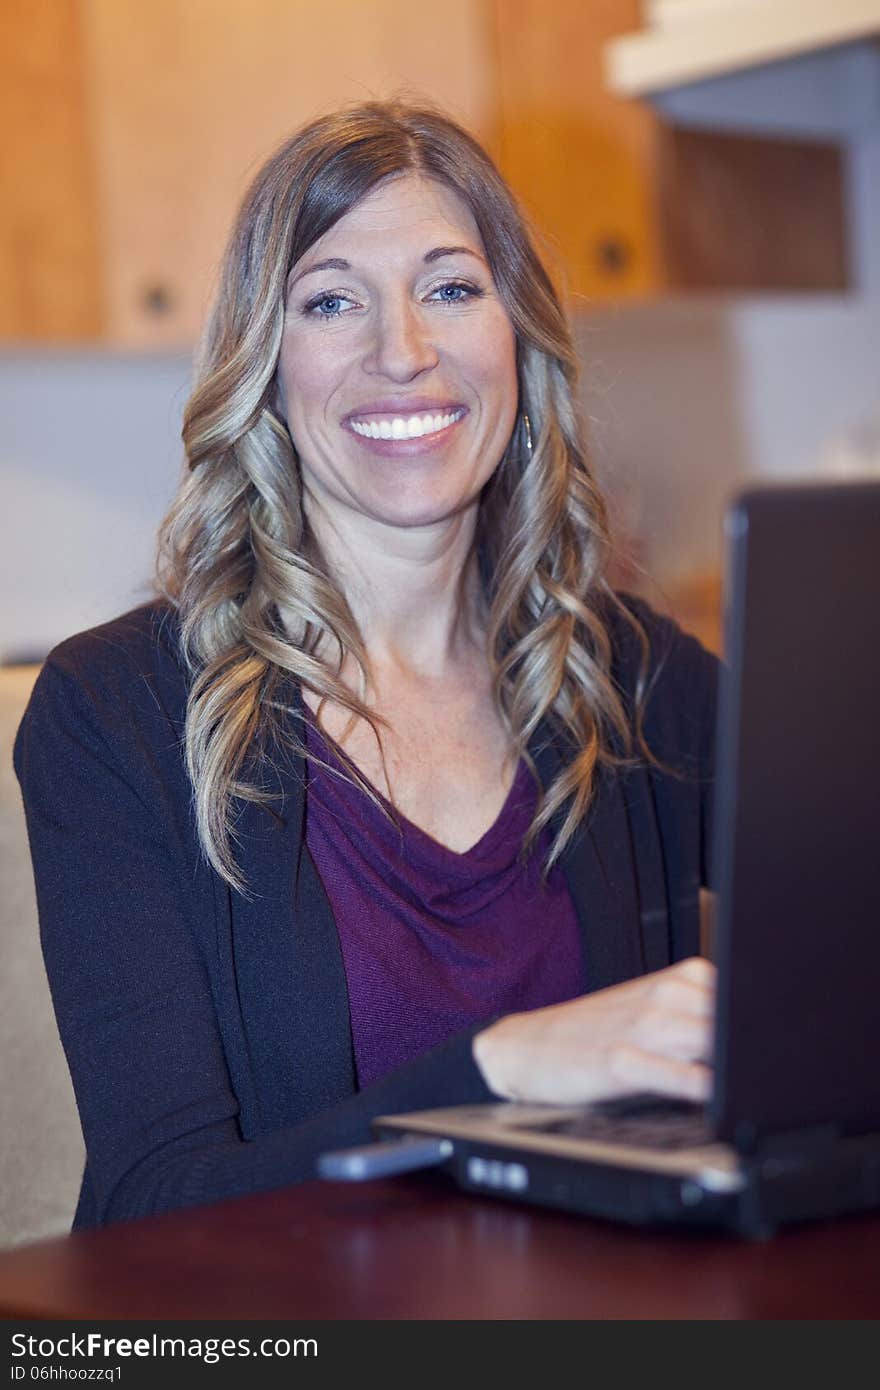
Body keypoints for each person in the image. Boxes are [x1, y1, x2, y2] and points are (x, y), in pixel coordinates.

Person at [14, 100, 718, 1231]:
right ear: (266, 365)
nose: (404, 352)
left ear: (518, 337)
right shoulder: (115, 713)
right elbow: (158, 1201)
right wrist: (503, 1069)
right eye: (333, 300)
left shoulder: (635, 675)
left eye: (450, 288)